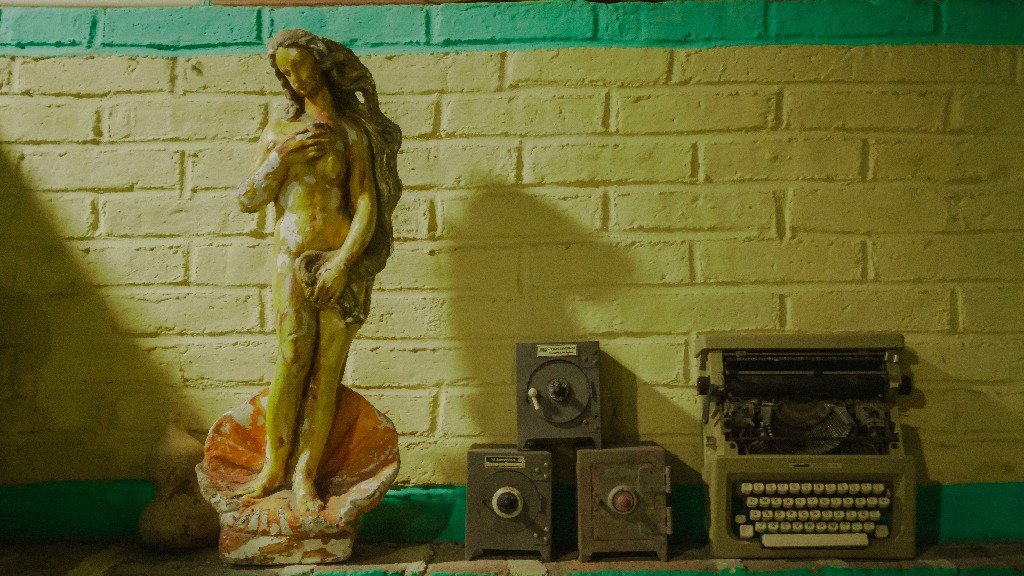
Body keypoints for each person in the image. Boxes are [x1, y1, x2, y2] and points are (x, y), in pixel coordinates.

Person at [233, 29, 402, 514]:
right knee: (290, 357)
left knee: (327, 370)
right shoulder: (278, 133)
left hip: (338, 262)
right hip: (291, 258)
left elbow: (365, 202)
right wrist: (280, 158)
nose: (296, 78)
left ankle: (305, 475)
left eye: (301, 66)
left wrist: (343, 263)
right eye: (286, 71)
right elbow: (248, 199)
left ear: (321, 64)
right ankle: (273, 468)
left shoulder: (350, 133)